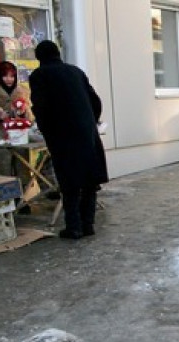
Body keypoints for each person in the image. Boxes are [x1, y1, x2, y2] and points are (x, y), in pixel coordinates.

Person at [29, 40, 108, 239]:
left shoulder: (40, 75)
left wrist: (46, 130)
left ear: (39, 57)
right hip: (87, 132)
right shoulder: (76, 72)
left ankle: (73, 227)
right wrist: (92, 122)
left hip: (63, 135)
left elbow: (41, 106)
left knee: (69, 181)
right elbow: (95, 100)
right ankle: (88, 225)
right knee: (89, 179)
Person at [0, 61, 34, 176]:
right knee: (1, 172)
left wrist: (24, 112)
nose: (9, 79)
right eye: (5, 76)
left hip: (20, 137)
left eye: (12, 76)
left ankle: (24, 191)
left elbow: (31, 118)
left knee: (23, 170)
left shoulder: (22, 92)